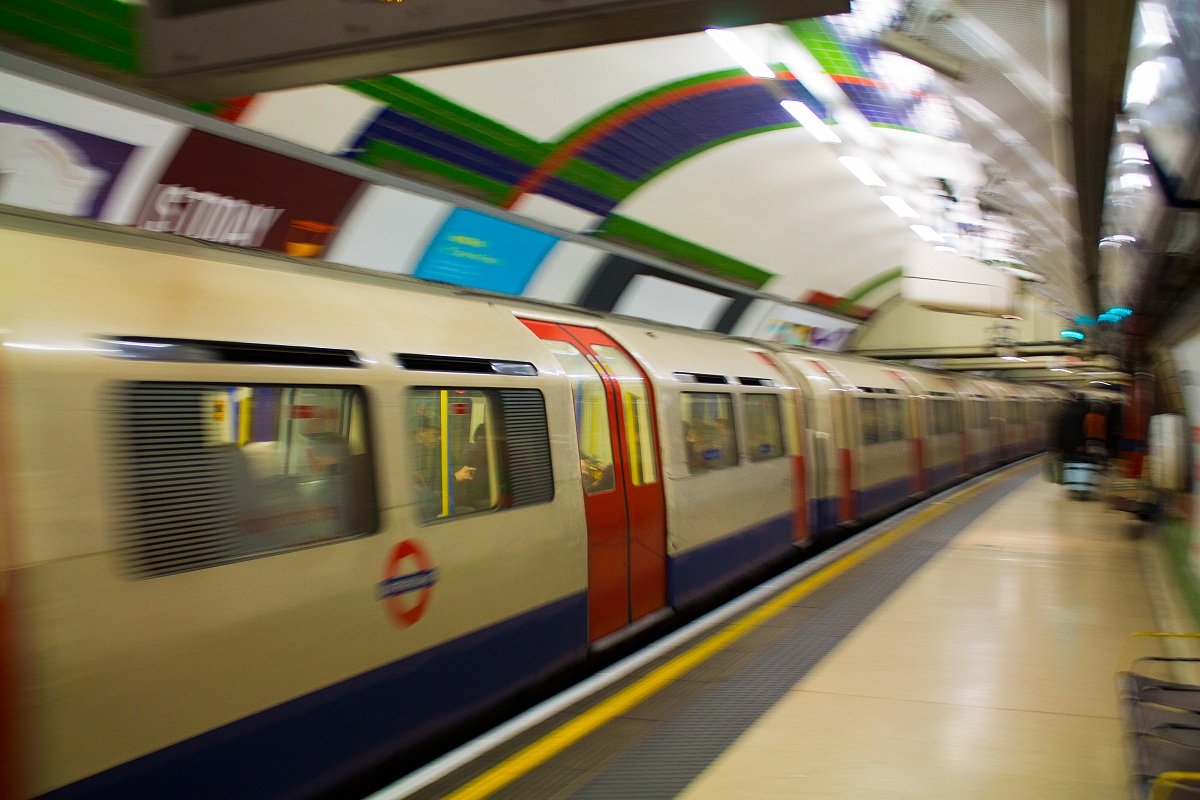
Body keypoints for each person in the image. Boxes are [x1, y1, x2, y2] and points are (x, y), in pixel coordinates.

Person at [413, 419, 474, 520]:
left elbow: (455, 466)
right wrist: (455, 478)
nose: (440, 438)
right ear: (422, 432)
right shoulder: (414, 456)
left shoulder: (435, 450)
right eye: (436, 434)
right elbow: (429, 492)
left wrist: (464, 472)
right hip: (429, 511)